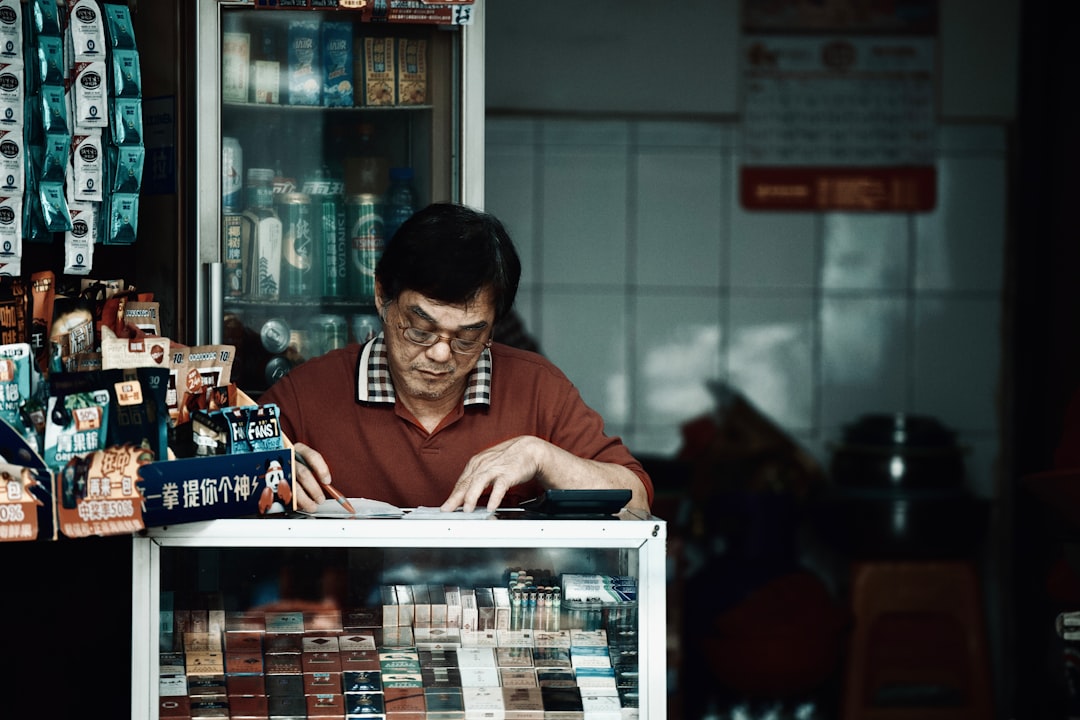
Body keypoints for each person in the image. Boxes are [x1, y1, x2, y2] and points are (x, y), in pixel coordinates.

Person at [260, 202, 652, 514]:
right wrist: (267, 472)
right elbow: (206, 485)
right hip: (344, 613)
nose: (441, 353)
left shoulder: (538, 389)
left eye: (468, 336)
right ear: (383, 296)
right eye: (420, 329)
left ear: (495, 326)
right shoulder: (309, 394)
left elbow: (636, 503)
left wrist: (542, 456)